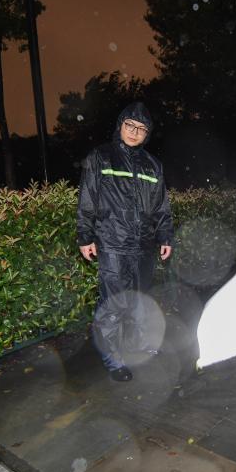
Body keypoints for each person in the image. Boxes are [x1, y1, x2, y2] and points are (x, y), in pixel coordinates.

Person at [77, 102, 173, 382]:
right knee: (113, 304)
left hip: (144, 245)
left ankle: (143, 345)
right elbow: (87, 198)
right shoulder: (101, 157)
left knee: (142, 300)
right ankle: (113, 358)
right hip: (111, 243)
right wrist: (85, 235)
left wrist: (165, 235)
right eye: (130, 125)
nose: (134, 132)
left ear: (147, 134)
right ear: (120, 125)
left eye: (141, 129)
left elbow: (161, 206)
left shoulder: (153, 165)